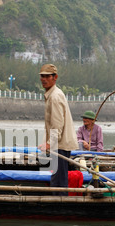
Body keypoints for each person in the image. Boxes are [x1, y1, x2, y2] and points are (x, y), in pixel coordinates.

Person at [38, 64, 78, 195]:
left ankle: (60, 204)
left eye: (47, 76)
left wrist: (50, 143)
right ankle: (60, 202)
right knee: (58, 179)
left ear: (55, 77)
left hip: (60, 145)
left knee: (59, 181)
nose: (44, 79)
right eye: (42, 76)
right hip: (59, 144)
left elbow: (57, 124)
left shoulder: (55, 96)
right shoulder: (52, 94)